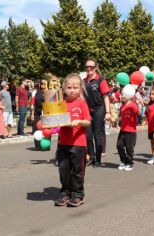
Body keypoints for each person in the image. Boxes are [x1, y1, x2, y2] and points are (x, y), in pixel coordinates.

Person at [55, 73, 91, 207]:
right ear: (64, 88)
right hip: (63, 142)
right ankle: (65, 193)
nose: (72, 90)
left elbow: (87, 122)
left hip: (78, 143)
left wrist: (79, 122)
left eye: (75, 87)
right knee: (63, 169)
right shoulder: (61, 103)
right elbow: (55, 119)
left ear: (80, 88)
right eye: (69, 87)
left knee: (77, 170)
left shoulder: (81, 103)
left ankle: (77, 194)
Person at [83, 59, 111, 167]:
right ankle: (91, 157)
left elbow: (105, 97)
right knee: (88, 136)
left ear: (95, 67)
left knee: (97, 135)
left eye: (91, 66)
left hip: (99, 109)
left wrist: (107, 112)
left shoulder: (101, 80)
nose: (88, 68)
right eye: (87, 66)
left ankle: (98, 160)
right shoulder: (84, 81)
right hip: (87, 111)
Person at [116, 94, 140, 171]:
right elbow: (121, 117)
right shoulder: (122, 106)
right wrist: (114, 120)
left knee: (129, 148)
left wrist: (137, 108)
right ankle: (123, 161)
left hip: (131, 131)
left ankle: (129, 163)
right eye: (121, 95)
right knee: (119, 145)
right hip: (123, 129)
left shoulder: (133, 105)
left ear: (128, 96)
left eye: (123, 95)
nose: (121, 97)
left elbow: (139, 113)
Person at [31, 80, 46, 150]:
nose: (43, 86)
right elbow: (33, 104)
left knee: (44, 129)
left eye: (44, 84)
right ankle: (37, 146)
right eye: (42, 84)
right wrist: (32, 114)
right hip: (37, 112)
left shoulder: (47, 92)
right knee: (36, 128)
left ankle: (44, 145)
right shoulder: (35, 93)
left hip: (45, 112)